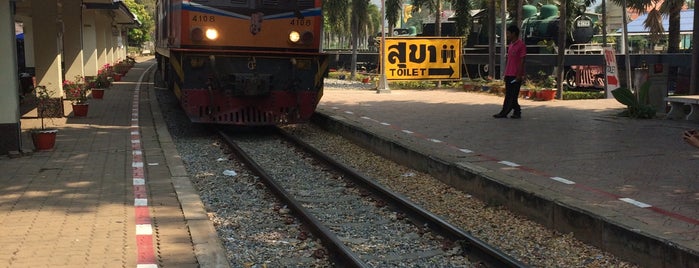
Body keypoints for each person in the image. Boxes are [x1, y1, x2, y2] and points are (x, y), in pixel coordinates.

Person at [493, 25, 526, 119]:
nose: (507, 35)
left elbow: (522, 60)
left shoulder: (521, 45)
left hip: (516, 74)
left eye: (508, 33)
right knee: (511, 95)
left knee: (511, 95)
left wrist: (519, 74)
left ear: (514, 33)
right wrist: (505, 73)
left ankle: (504, 112)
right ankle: (517, 111)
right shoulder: (511, 45)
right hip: (509, 73)